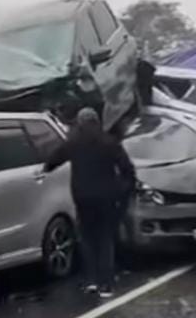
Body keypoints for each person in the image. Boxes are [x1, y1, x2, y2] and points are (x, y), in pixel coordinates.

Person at [44, 107, 136, 298]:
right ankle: (106, 284)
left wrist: (46, 168)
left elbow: (53, 160)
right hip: (107, 198)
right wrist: (122, 190)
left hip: (82, 198)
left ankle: (91, 281)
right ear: (97, 121)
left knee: (87, 238)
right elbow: (127, 169)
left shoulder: (74, 143)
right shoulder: (109, 143)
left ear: (80, 122)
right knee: (105, 238)